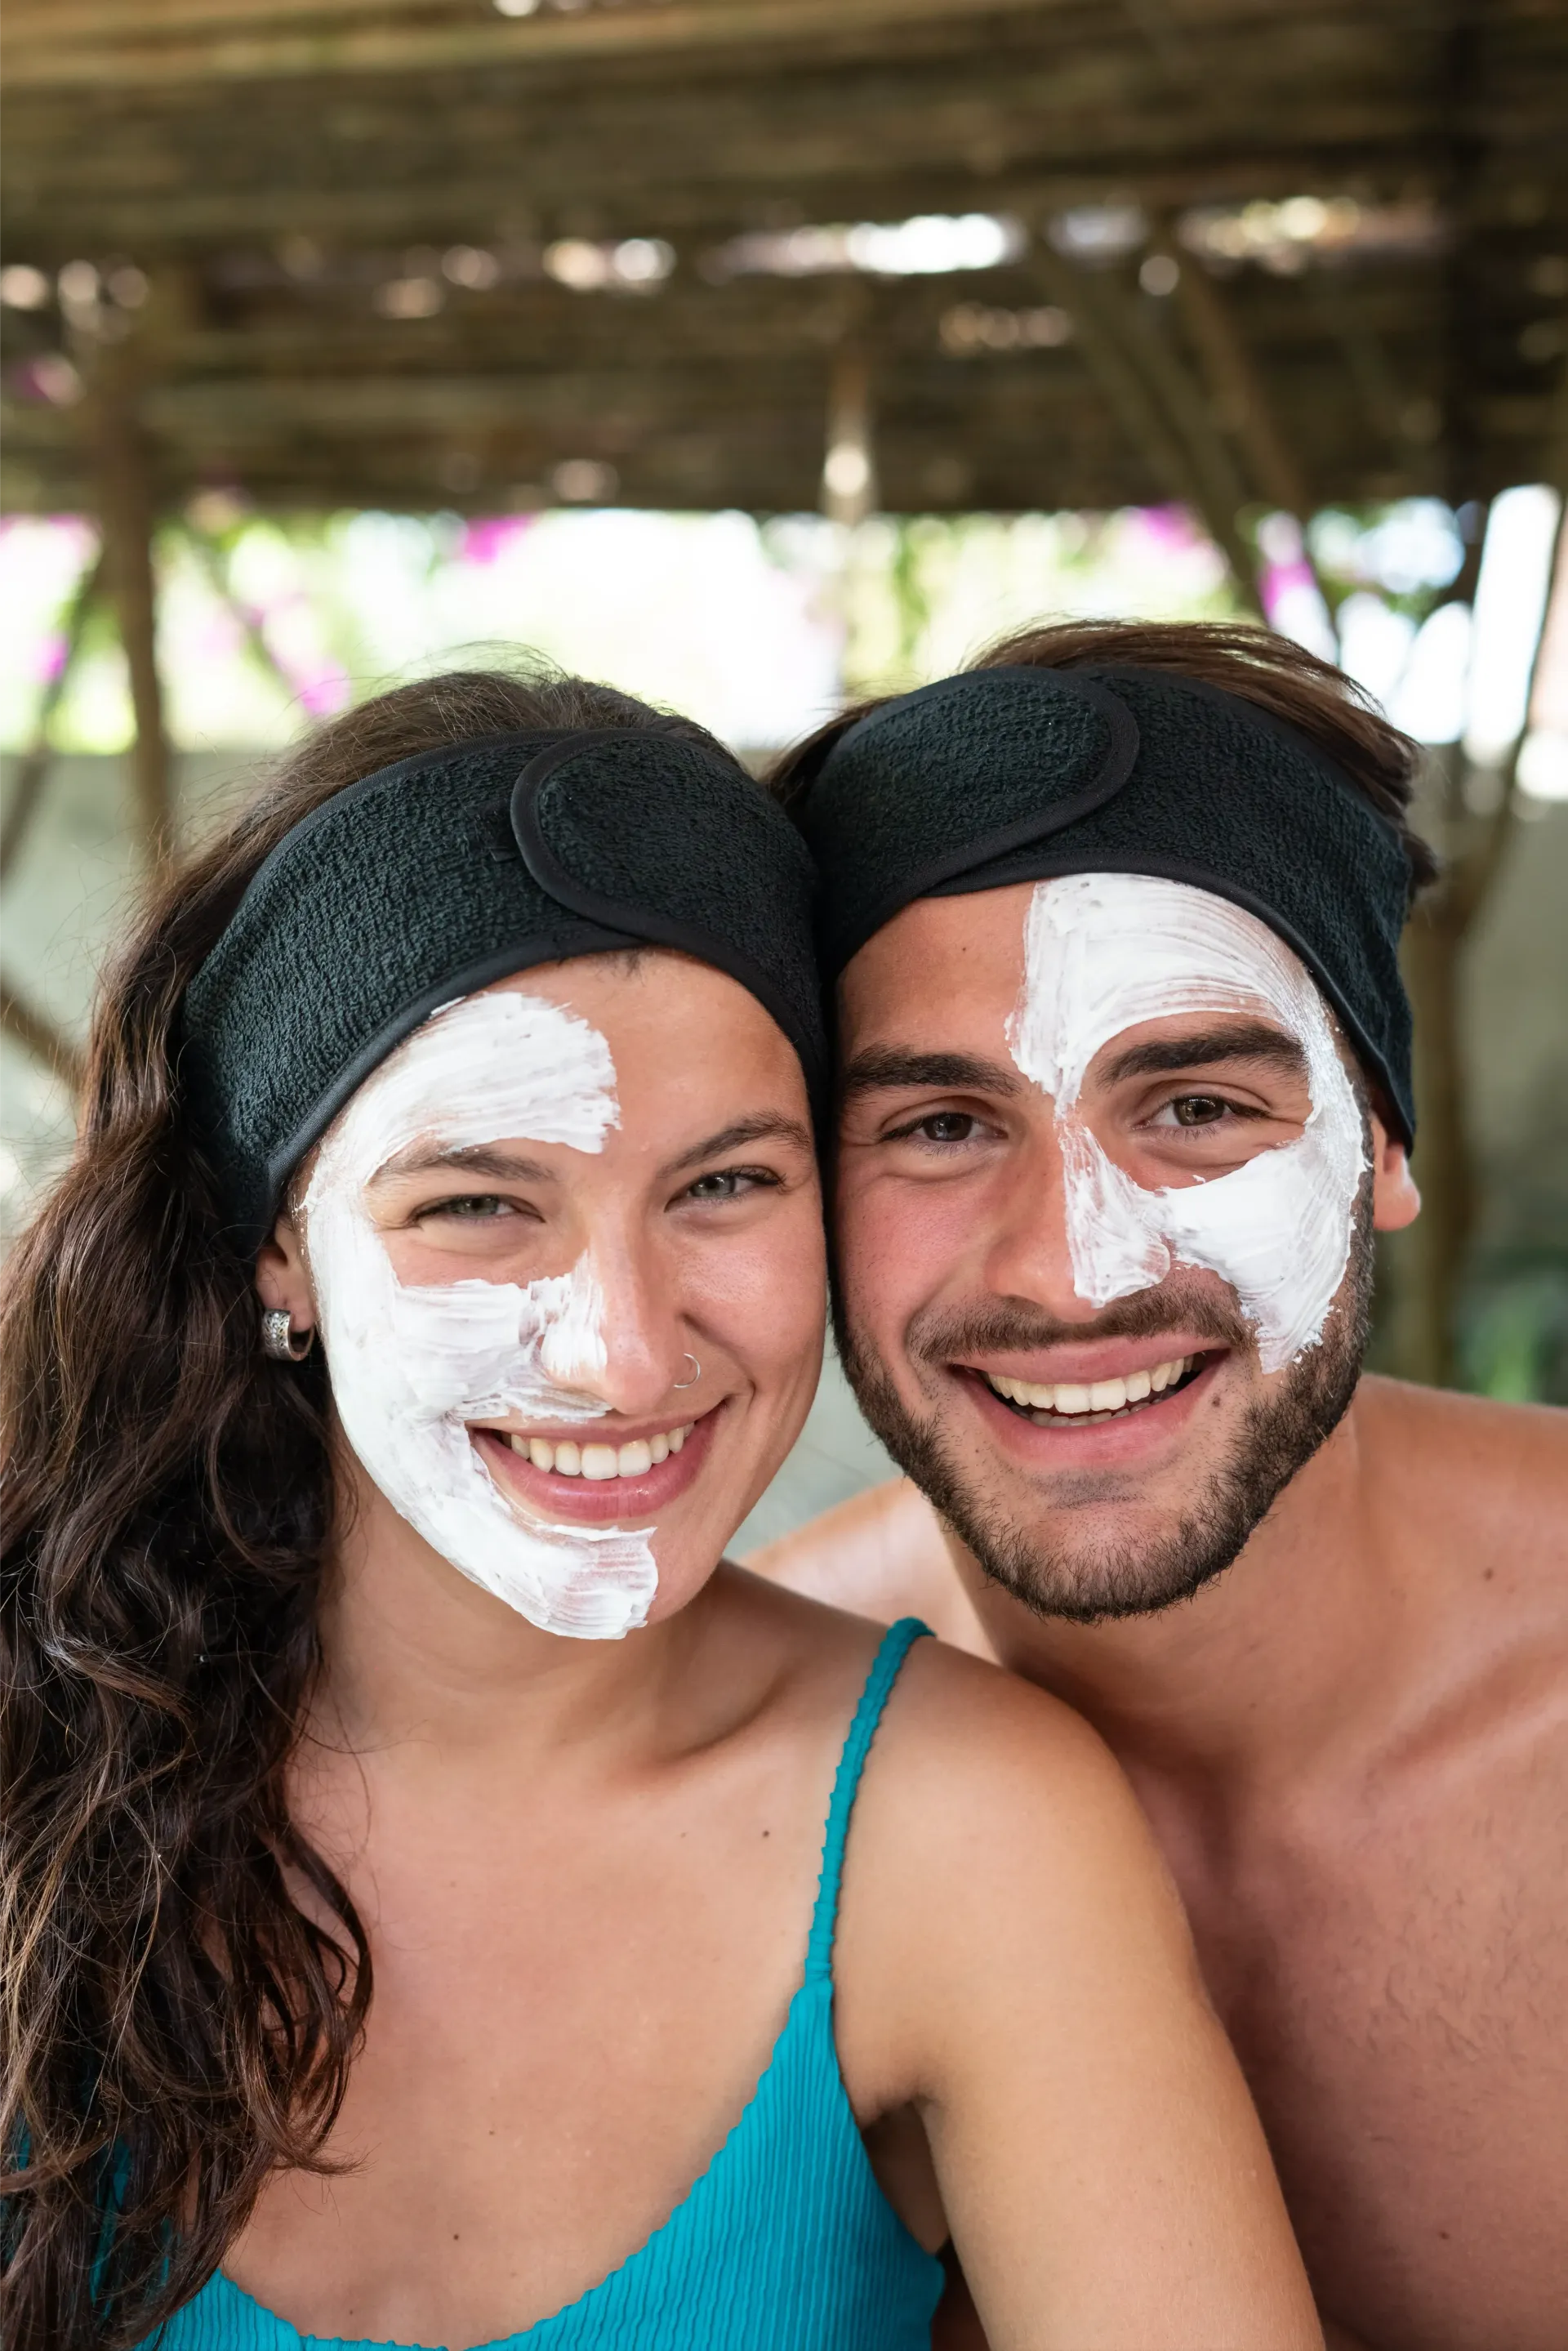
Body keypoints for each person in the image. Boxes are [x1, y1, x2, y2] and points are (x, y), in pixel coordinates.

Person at [0, 667, 1320, 2351]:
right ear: (279, 1244)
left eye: (722, 1183)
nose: (622, 1349)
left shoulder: (968, 1837)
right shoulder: (30, 1735)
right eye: (478, 1201)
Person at [755, 618, 1568, 2351]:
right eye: (940, 1125)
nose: (1072, 1269)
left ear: (1384, 1143)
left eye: (1196, 1102)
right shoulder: (741, 1765)